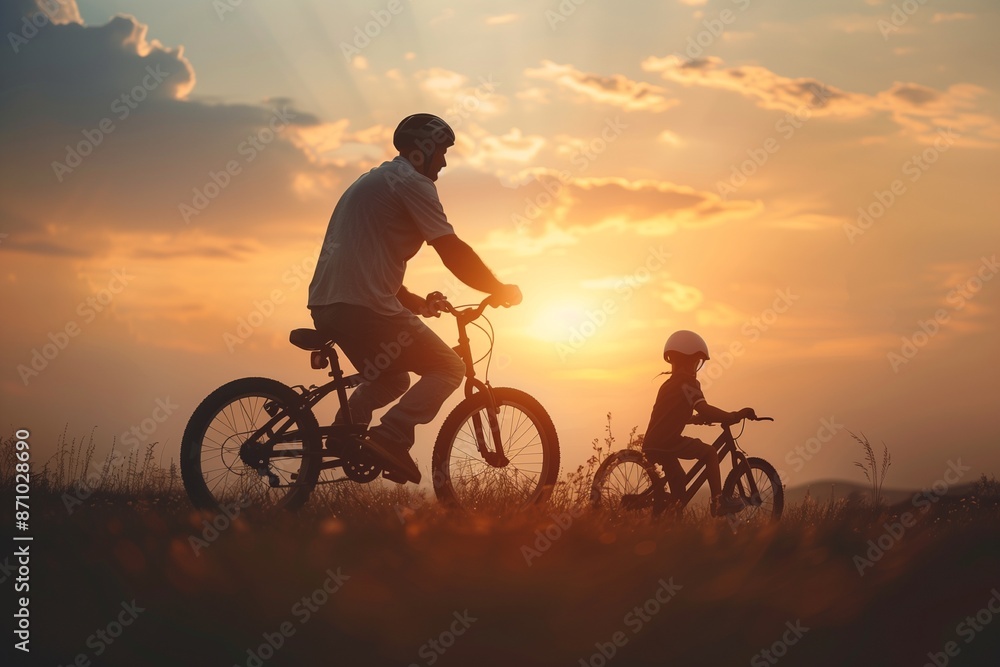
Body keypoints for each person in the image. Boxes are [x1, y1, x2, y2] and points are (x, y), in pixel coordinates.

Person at [307, 113, 521, 485]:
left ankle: (346, 432)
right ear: (423, 150)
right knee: (448, 367)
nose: (444, 161)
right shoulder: (413, 182)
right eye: (441, 151)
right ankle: (391, 437)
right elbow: (450, 249)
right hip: (364, 308)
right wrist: (496, 288)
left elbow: (364, 263)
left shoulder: (374, 180)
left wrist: (419, 304)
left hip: (329, 305)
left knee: (393, 378)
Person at [642, 330, 755, 516]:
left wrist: (695, 419)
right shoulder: (688, 384)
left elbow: (670, 416)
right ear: (690, 360)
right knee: (710, 453)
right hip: (669, 443)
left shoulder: (668, 385)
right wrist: (733, 416)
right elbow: (705, 409)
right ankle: (719, 502)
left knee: (679, 491)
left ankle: (665, 520)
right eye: (697, 361)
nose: (697, 366)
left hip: (653, 443)